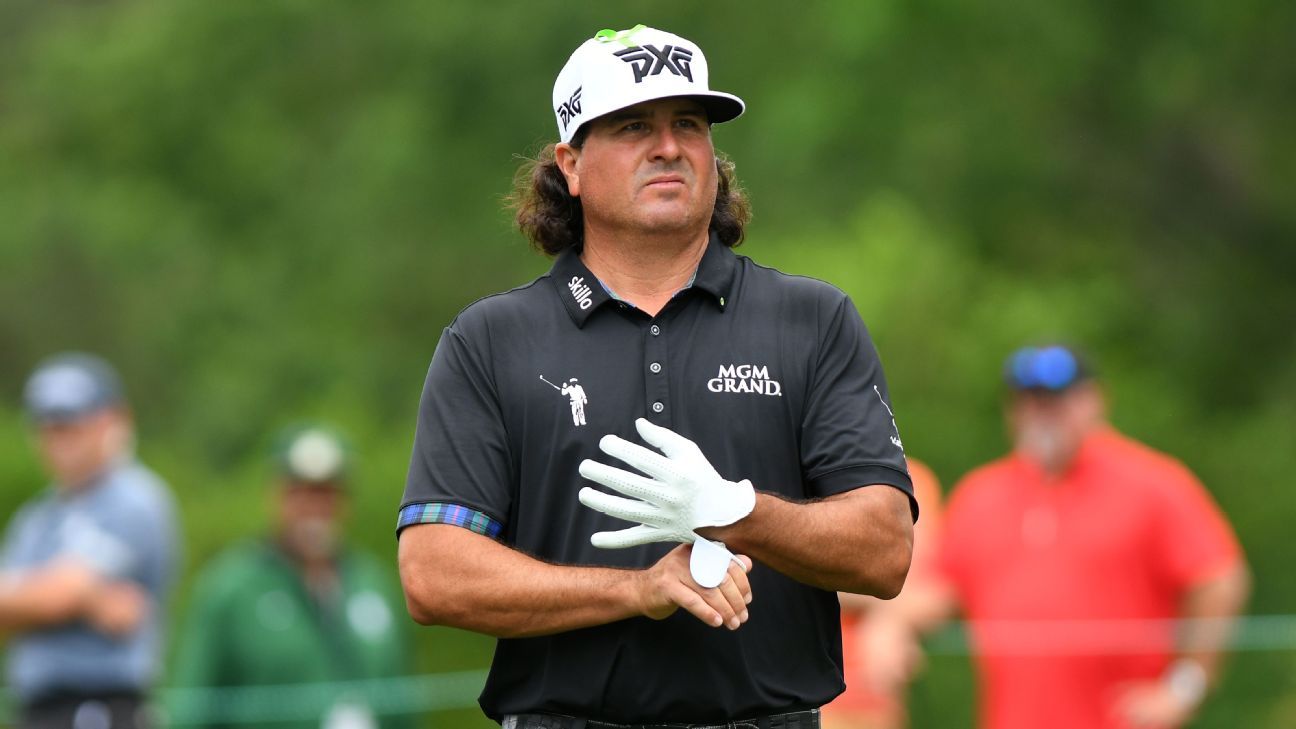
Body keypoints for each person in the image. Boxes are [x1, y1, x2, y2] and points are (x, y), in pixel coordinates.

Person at [396, 24, 917, 729]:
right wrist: (639, 589)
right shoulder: (490, 340)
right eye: (634, 126)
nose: (669, 146)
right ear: (571, 165)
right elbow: (433, 574)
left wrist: (738, 510)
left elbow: (885, 550)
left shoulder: (811, 320)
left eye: (689, 125)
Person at [935, 345, 1250, 729]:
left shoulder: (1152, 484)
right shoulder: (979, 495)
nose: (1042, 412)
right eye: (1029, 400)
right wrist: (890, 623)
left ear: (1094, 401)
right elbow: (937, 592)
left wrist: (1183, 689)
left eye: (1056, 400)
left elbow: (1219, 579)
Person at [170, 424, 410, 729]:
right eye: (301, 494)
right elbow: (189, 709)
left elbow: (405, 705)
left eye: (326, 494)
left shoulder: (374, 583)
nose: (315, 509)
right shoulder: (229, 588)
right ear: (275, 496)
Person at [1, 352, 180, 729]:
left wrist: (56, 595)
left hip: (102, 709)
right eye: (48, 426)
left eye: (72, 423)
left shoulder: (135, 499)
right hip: (36, 712)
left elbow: (57, 596)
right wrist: (89, 597)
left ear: (113, 420)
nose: (59, 438)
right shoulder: (36, 518)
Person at [823, 459, 945, 729]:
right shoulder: (794, 473)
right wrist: (888, 605)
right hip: (804, 697)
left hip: (880, 699)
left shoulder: (912, 479)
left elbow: (933, 591)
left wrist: (891, 616)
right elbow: (787, 577)